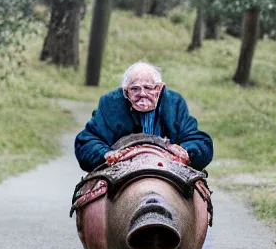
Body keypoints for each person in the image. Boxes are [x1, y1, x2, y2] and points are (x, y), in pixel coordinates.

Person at [74, 61, 214, 172]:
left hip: (168, 167)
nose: (142, 93)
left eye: (148, 88)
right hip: (121, 170)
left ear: (159, 88)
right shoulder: (110, 103)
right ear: (125, 91)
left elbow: (200, 141)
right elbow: (86, 142)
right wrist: (106, 154)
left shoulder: (174, 104)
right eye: (135, 89)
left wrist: (185, 151)